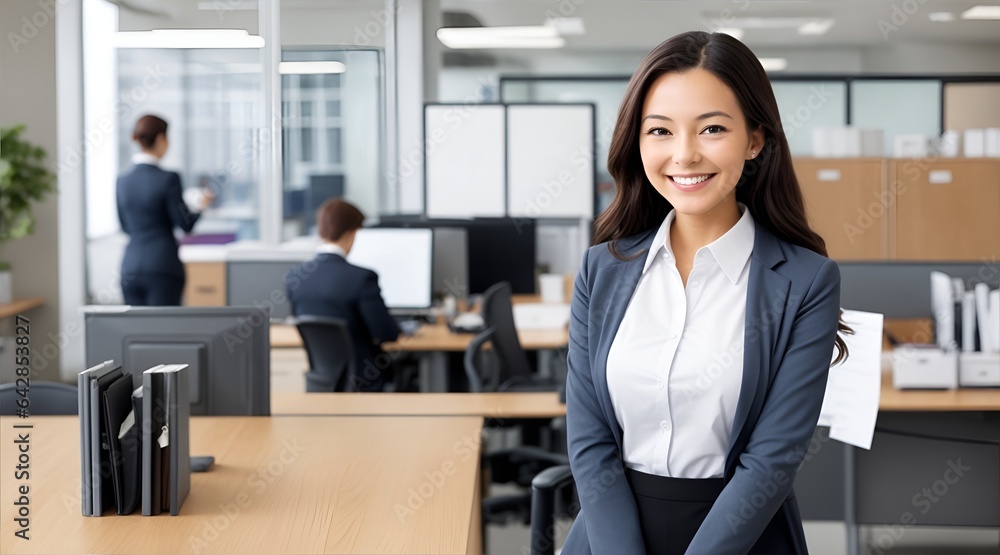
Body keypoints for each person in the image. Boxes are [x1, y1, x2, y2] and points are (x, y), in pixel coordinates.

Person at [563, 31, 851, 555]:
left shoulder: (806, 282)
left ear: (755, 140)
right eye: (660, 131)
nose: (684, 155)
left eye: (712, 128)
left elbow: (772, 461)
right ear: (639, 142)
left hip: (741, 539)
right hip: (608, 538)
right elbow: (589, 443)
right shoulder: (599, 270)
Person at [284, 199, 402, 392]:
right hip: (364, 381)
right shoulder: (361, 278)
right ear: (352, 233)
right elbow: (387, 334)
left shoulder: (294, 278)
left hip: (322, 382)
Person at [117, 115, 213, 306]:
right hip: (162, 267)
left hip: (130, 268)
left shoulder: (122, 180)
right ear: (161, 139)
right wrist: (201, 206)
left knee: (133, 333)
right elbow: (185, 224)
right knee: (163, 332)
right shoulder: (168, 178)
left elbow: (125, 227)